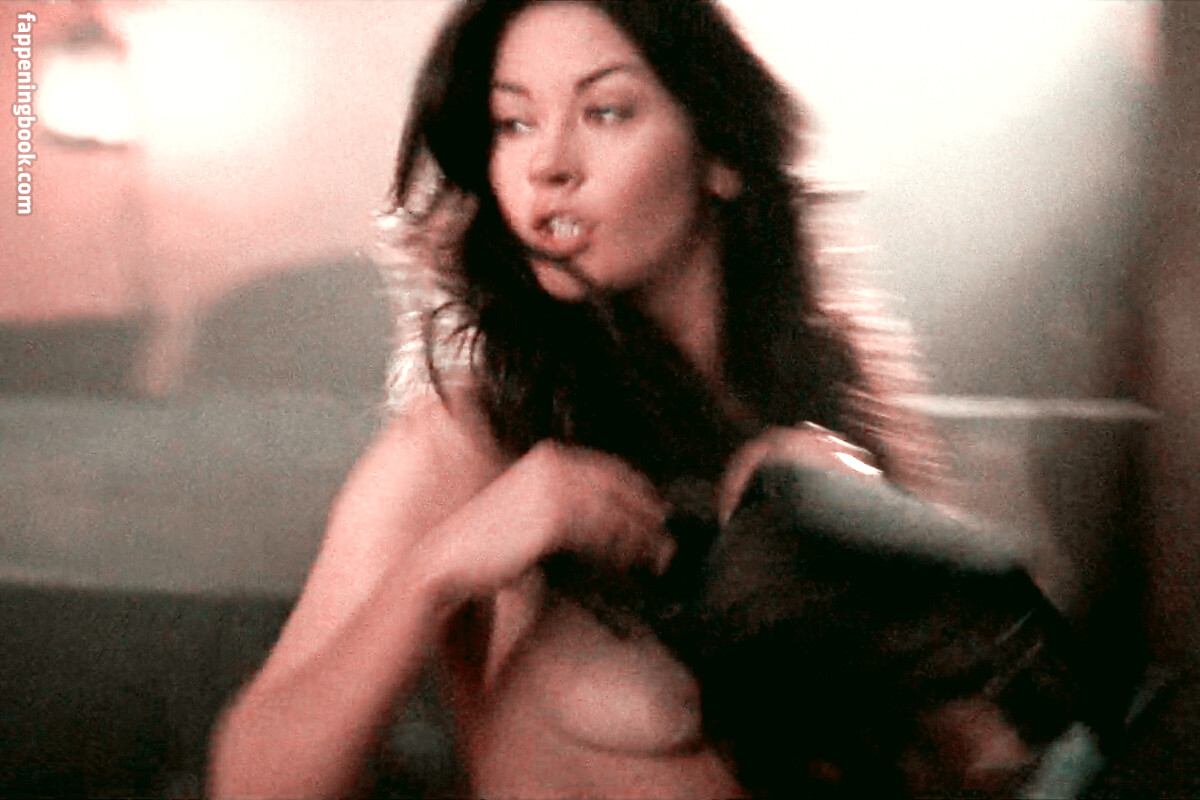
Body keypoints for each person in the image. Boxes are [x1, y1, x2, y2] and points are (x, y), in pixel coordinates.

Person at [206, 1, 1026, 797]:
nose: (548, 164)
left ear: (720, 153)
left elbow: (998, 759)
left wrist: (876, 551)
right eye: (513, 123)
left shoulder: (829, 417)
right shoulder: (469, 443)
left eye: (605, 112)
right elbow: (250, 785)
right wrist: (444, 567)